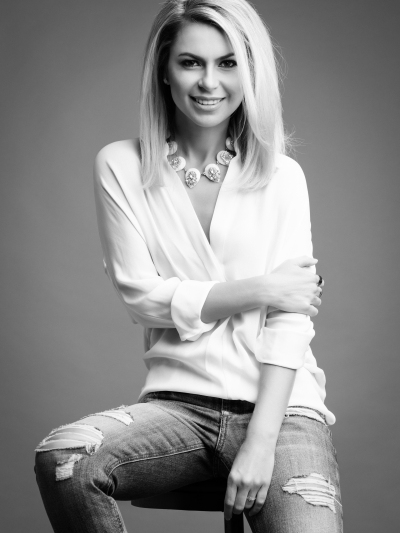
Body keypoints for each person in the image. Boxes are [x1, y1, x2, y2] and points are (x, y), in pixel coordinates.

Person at [34, 1, 343, 531]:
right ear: (163, 69)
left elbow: (291, 317)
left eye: (228, 63)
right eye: (190, 62)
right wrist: (262, 288)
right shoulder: (121, 165)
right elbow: (141, 297)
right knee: (65, 459)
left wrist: (260, 443)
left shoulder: (283, 177)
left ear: (250, 72)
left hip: (284, 411)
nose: (209, 82)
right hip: (179, 406)